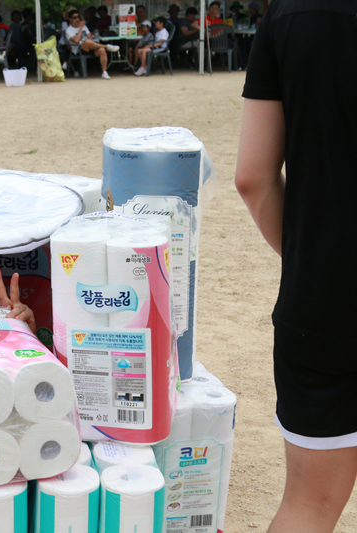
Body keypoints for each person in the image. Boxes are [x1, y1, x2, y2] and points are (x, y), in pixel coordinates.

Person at [236, 4, 357, 533]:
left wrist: (313, 260)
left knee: (309, 505)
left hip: (322, 301)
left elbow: (252, 177)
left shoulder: (287, 15)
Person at [63, 9, 119, 80]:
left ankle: (104, 72)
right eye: (75, 18)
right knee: (87, 42)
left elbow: (90, 37)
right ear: (70, 19)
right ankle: (107, 46)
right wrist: (80, 28)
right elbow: (76, 40)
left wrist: (88, 40)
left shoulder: (84, 27)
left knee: (102, 50)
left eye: (78, 17)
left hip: (90, 46)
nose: (77, 19)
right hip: (79, 49)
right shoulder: (69, 30)